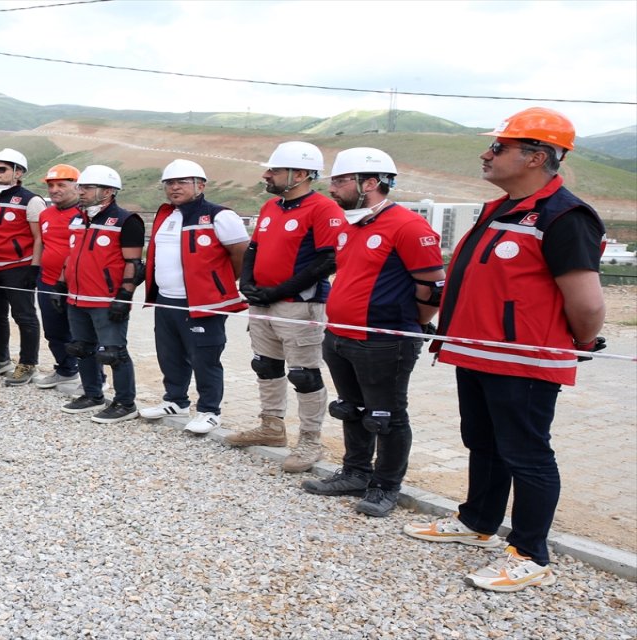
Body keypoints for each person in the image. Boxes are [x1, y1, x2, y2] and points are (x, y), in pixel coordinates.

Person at [404, 108, 606, 592]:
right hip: (476, 352)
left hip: (523, 360)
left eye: (499, 147)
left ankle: (530, 553)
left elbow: (587, 301)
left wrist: (580, 343)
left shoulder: (565, 216)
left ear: (537, 157)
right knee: (483, 442)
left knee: (527, 454)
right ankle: (478, 521)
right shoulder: (501, 205)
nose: (486, 154)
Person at [299, 148, 444, 518]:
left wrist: (415, 325)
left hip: (385, 340)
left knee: (387, 415)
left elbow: (432, 289)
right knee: (352, 409)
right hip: (341, 336)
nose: (332, 187)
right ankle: (355, 472)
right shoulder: (351, 224)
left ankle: (385, 486)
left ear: (370, 182)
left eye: (340, 180)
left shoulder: (408, 226)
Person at [226, 141, 345, 473]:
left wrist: (279, 290)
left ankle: (310, 439)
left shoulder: (323, 209)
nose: (267, 174)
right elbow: (254, 248)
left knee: (303, 374)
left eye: (274, 170)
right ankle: (272, 426)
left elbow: (328, 260)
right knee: (265, 365)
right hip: (263, 302)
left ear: (301, 174)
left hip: (299, 305)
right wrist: (247, 284)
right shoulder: (270, 207)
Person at [139, 159, 249, 433]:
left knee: (205, 357)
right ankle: (175, 401)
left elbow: (242, 254)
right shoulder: (166, 216)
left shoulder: (220, 215)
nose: (174, 188)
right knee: (170, 354)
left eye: (182, 182)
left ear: (201, 185)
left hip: (204, 302)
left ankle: (210, 411)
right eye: (169, 183)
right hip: (166, 299)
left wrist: (219, 283)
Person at [57, 165, 145, 424]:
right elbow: (71, 255)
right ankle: (92, 394)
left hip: (106, 300)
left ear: (107, 191)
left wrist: (124, 296)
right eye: (80, 187)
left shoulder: (126, 220)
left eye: (87, 187)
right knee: (82, 348)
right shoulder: (78, 218)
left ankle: (125, 403)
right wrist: (60, 286)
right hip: (77, 297)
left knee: (114, 352)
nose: (80, 191)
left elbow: (134, 264)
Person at [0, 148, 45, 385]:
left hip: (17, 266)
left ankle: (28, 363)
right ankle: (0, 357)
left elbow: (38, 237)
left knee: (24, 316)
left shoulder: (30, 200)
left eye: (2, 169)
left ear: (18, 172)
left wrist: (34, 267)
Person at [32, 164, 83, 391]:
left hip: (77, 284)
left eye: (61, 185)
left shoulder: (85, 214)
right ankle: (65, 370)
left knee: (82, 333)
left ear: (77, 186)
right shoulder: (45, 214)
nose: (54, 190)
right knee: (53, 330)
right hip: (47, 280)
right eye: (51, 185)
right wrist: (35, 270)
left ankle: (94, 378)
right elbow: (41, 243)